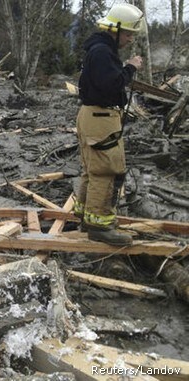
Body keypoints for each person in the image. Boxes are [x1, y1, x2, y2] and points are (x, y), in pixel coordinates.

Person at [73, 3, 144, 246]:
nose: (130, 39)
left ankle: (86, 216)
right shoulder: (103, 52)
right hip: (100, 118)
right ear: (114, 29)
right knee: (107, 170)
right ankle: (99, 226)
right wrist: (130, 68)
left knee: (91, 169)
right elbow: (112, 85)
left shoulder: (98, 49)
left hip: (91, 116)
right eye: (128, 34)